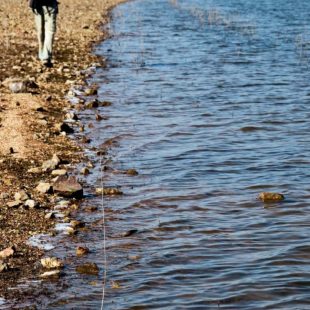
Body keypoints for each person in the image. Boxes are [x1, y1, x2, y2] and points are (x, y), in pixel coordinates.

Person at [28, 0, 58, 67]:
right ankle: (45, 56)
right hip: (50, 5)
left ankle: (43, 55)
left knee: (40, 31)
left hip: (36, 5)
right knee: (49, 31)